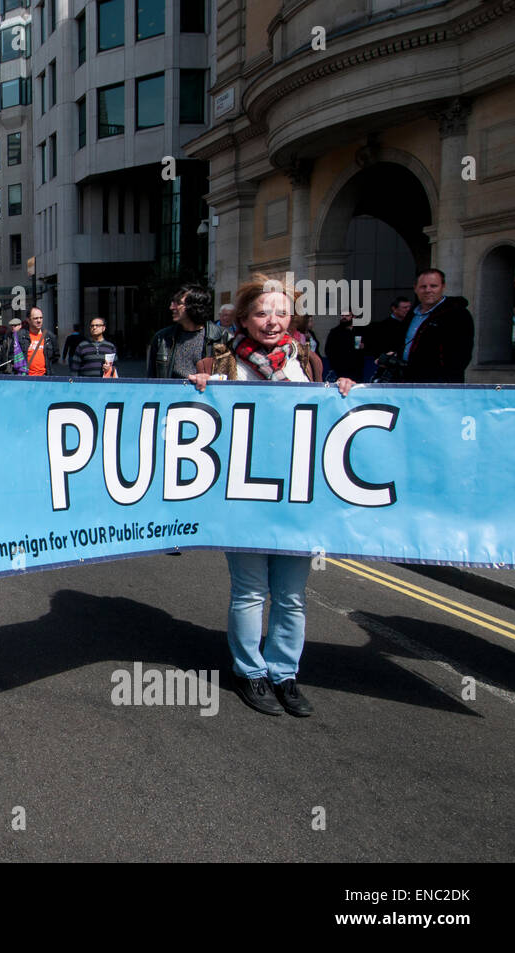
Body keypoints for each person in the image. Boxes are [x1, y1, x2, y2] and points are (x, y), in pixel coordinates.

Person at [187, 274, 355, 718]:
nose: (272, 321)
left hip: (298, 498)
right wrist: (195, 391)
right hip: (243, 497)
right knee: (249, 592)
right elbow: (189, 422)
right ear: (243, 318)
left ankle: (284, 673)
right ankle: (250, 672)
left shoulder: (309, 364)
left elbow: (332, 419)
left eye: (281, 312)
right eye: (262, 313)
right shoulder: (217, 365)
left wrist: (346, 393)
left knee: (291, 596)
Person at [398, 268, 474, 383]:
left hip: (438, 385)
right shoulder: (411, 314)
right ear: (415, 288)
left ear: (443, 287)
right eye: (423, 286)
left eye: (433, 286)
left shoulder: (457, 314)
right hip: (407, 381)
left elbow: (461, 355)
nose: (428, 290)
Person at [146, 284, 228, 379]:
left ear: (194, 306)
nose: (171, 307)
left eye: (178, 303)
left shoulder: (221, 336)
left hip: (206, 393)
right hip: (171, 393)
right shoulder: (162, 338)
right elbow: (151, 380)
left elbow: (228, 379)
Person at [8, 307, 56, 376]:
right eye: (35, 318)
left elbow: (55, 356)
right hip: (25, 377)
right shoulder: (20, 336)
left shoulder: (49, 336)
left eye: (41, 318)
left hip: (45, 377)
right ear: (28, 320)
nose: (39, 320)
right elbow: (12, 356)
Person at [324, 310, 365, 382]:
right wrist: (336, 365)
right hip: (340, 370)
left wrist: (363, 347)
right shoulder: (335, 332)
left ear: (353, 316)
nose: (344, 317)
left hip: (356, 369)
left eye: (347, 316)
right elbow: (328, 350)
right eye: (342, 316)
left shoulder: (360, 330)